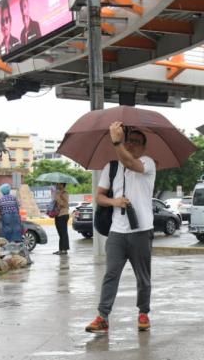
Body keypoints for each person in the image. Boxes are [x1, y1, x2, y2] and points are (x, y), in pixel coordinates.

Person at [85, 123, 157, 334]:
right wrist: (114, 202)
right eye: (129, 141)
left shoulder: (147, 163)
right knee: (110, 275)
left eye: (137, 142)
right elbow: (99, 196)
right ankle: (102, 316)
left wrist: (117, 142)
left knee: (143, 277)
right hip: (117, 231)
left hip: (141, 230)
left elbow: (131, 163)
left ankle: (143, 313)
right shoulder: (112, 167)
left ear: (143, 148)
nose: (132, 144)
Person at [53, 183, 70, 255]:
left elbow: (65, 204)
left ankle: (64, 250)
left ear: (62, 185)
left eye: (58, 184)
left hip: (63, 215)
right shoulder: (57, 193)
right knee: (60, 233)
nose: (56, 185)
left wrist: (58, 198)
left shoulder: (65, 193)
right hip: (57, 214)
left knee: (63, 233)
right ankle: (60, 249)